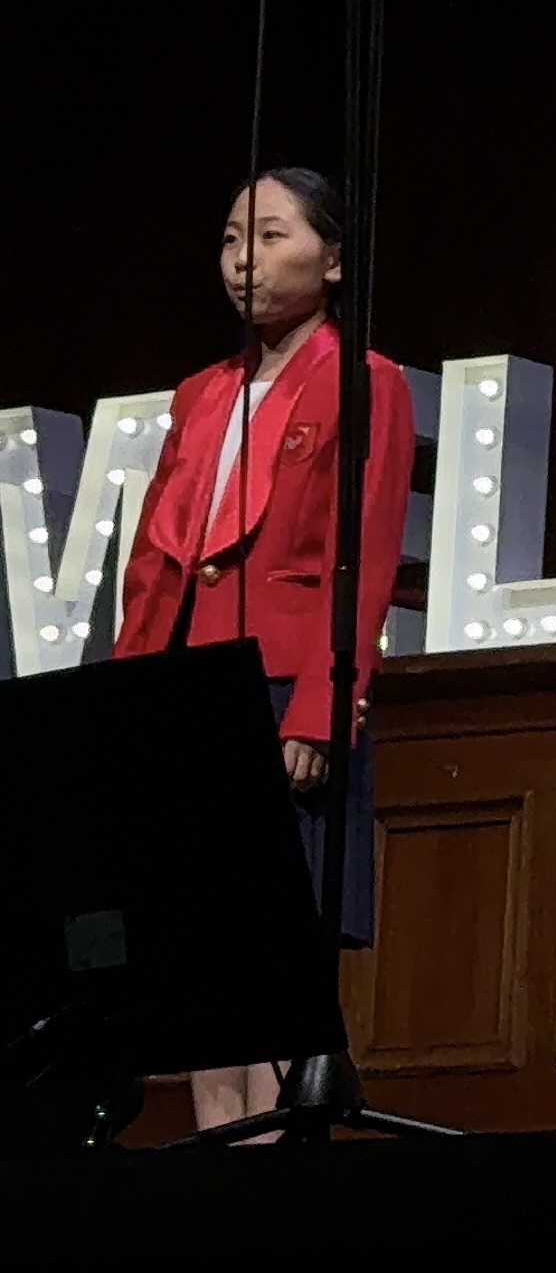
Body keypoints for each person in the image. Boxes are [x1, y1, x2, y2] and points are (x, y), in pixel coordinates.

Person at [114, 168, 408, 1135]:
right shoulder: (203, 392)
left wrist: (321, 708)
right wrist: (128, 707)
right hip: (185, 689)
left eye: (273, 236)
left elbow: (363, 559)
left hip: (282, 686)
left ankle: (278, 1159)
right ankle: (216, 1153)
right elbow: (154, 562)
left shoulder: (364, 379)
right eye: (233, 238)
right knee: (199, 954)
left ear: (333, 260)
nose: (245, 259)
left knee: (275, 951)